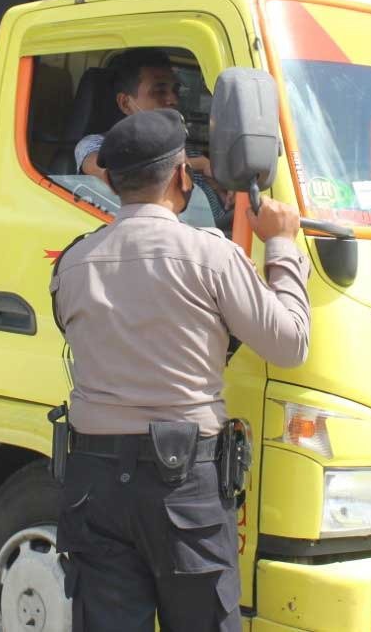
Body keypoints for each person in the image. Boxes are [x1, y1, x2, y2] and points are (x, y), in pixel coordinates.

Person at [50, 109, 311, 631]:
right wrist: (281, 245)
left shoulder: (72, 262)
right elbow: (290, 343)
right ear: (181, 176)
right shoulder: (211, 256)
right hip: (182, 485)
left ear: (113, 183)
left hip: (93, 483)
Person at [74, 49, 227, 220]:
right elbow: (115, 173)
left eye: (175, 90)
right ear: (125, 103)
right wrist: (199, 164)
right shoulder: (94, 144)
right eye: (159, 91)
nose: (173, 100)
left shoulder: (185, 148)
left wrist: (221, 192)